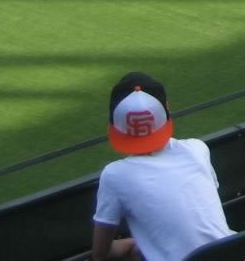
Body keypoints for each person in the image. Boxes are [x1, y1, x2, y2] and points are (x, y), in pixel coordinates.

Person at [90, 72, 234, 261]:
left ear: (114, 121)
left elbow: (101, 255)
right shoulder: (197, 149)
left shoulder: (114, 175)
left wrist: (134, 243)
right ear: (167, 108)